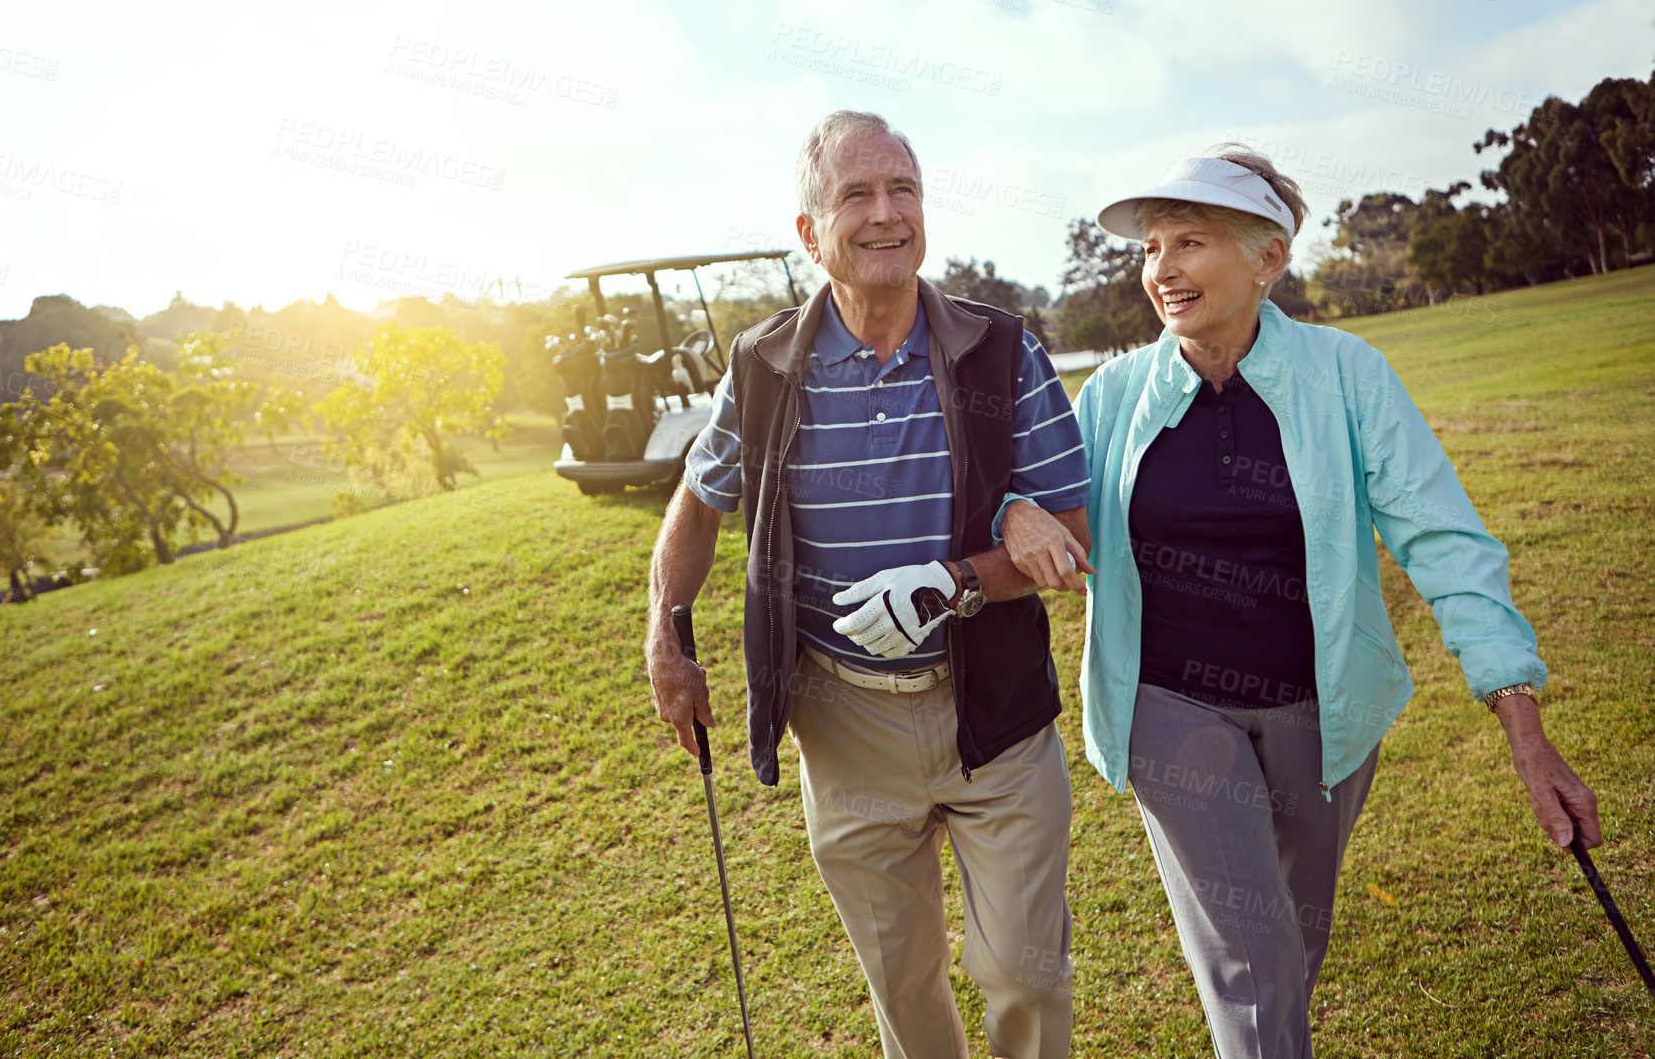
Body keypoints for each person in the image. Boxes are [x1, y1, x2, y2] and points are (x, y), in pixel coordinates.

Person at [998, 145, 1602, 1059]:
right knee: (1255, 963)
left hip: (1324, 714)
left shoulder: (1347, 374)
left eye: (1189, 242)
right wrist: (1014, 516)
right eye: (1151, 247)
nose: (1160, 269)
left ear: (1267, 258)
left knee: (1290, 942)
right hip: (1170, 706)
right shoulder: (1116, 392)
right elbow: (1037, 501)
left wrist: (1520, 715)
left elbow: (1442, 538)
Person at [645, 109, 1093, 1059]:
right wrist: (665, 633)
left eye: (904, 190)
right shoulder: (762, 366)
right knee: (901, 985)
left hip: (996, 714)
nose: (888, 214)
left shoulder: (999, 351)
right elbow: (699, 496)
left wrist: (953, 581)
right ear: (811, 234)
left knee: (1023, 971)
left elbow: (1076, 535)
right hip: (843, 726)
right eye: (857, 194)